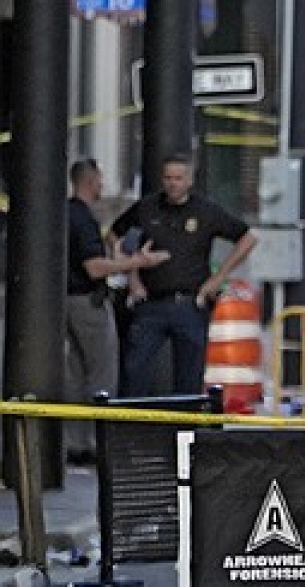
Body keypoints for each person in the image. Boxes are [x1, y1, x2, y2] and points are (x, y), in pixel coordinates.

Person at [110, 155, 258, 397]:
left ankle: (183, 432)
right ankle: (132, 430)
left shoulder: (205, 210)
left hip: (189, 303)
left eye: (178, 178)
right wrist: (132, 273)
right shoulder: (147, 208)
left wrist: (219, 277)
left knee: (189, 378)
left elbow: (247, 237)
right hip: (150, 303)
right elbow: (115, 234)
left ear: (189, 180)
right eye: (168, 178)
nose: (172, 184)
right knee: (134, 370)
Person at [65, 158, 170, 464]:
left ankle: (74, 442)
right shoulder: (83, 219)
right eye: (100, 180)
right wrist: (137, 263)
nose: (102, 185)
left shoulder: (66, 213)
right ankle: (98, 444)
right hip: (88, 302)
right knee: (101, 373)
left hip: (67, 302)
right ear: (91, 181)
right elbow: (95, 267)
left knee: (74, 374)